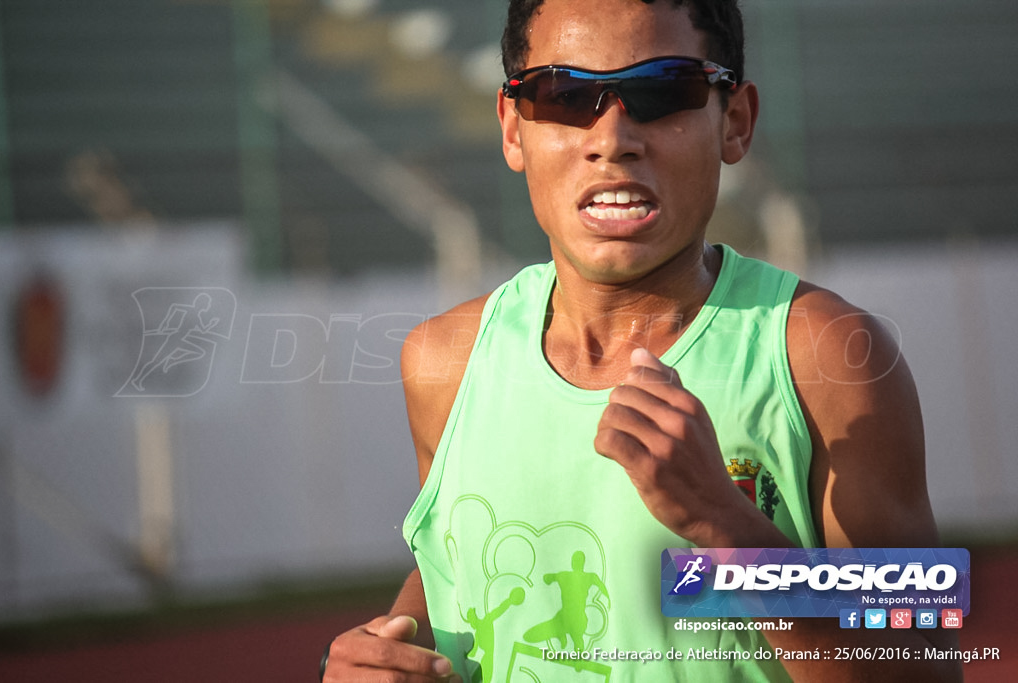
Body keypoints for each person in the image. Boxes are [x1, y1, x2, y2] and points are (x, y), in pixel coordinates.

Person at [321, 0, 961, 680]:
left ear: (735, 122)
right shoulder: (443, 359)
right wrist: (387, 655)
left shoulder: (827, 356)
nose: (613, 137)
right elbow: (456, 576)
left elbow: (922, 663)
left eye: (663, 91)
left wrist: (726, 524)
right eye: (565, 94)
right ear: (512, 127)